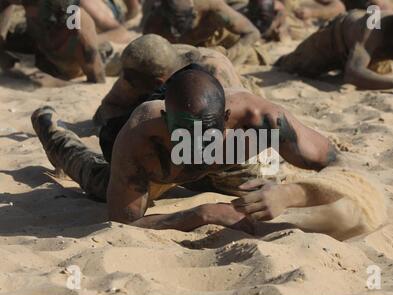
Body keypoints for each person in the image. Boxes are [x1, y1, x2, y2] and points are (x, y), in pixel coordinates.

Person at [31, 65, 337, 233]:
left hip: (232, 166)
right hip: (162, 172)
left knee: (263, 183)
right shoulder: (140, 137)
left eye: (206, 137)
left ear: (227, 119)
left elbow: (340, 165)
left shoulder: (262, 121)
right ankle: (52, 131)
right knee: (97, 181)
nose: (196, 148)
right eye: (185, 137)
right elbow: (124, 223)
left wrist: (289, 194)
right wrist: (201, 214)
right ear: (165, 120)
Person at [275, 0, 393, 97]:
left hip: (367, 55)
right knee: (291, 66)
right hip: (333, 41)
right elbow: (353, 73)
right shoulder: (374, 25)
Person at [93, 34, 245, 128]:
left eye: (131, 81)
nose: (126, 82)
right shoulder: (140, 65)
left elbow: (231, 121)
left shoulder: (214, 75)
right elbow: (108, 108)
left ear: (158, 82)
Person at [142, 0, 267, 65]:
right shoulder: (154, 23)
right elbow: (148, 54)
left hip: (224, 46)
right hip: (183, 55)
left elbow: (252, 33)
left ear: (194, 12)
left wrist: (226, 57)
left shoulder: (212, 7)